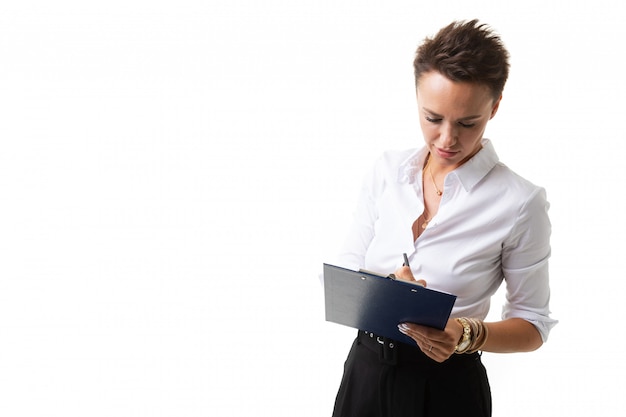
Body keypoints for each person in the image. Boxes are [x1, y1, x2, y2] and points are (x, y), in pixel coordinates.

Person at [329, 20, 557, 417]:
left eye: (467, 123)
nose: (447, 140)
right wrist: (387, 291)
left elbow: (533, 325)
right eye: (432, 118)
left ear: (495, 107)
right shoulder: (386, 171)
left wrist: (466, 334)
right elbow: (347, 268)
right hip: (364, 373)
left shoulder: (521, 202)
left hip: (447, 388)